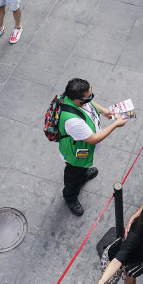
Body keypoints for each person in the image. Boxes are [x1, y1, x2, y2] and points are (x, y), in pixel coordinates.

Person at [55, 77, 127, 216]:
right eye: (88, 97)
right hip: (75, 154)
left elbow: (90, 103)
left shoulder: (77, 98)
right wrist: (115, 124)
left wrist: (104, 110)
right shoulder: (73, 121)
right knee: (73, 175)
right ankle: (70, 197)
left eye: (91, 94)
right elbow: (93, 139)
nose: (91, 98)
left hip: (82, 149)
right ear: (77, 100)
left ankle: (82, 174)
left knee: (81, 170)